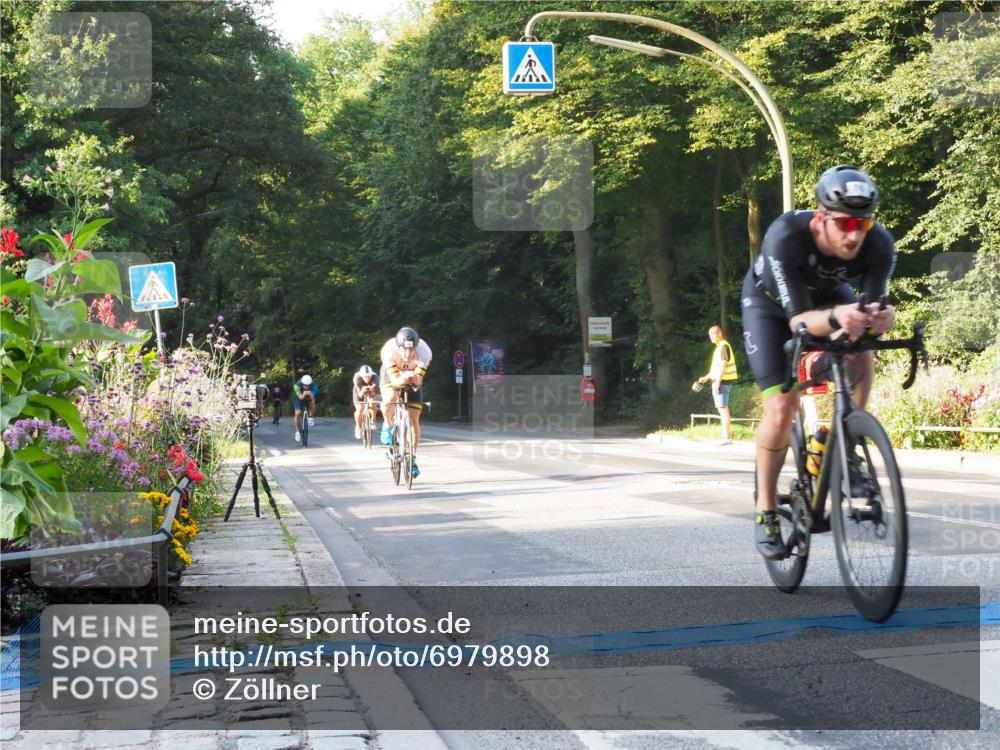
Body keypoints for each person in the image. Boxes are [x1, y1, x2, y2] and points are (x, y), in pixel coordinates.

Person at [741, 165, 896, 559]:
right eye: (844, 223)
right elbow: (797, 322)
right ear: (821, 217)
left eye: (863, 223)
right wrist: (838, 319)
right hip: (771, 307)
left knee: (861, 347)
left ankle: (844, 442)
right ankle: (766, 510)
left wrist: (879, 316)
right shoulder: (786, 236)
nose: (854, 234)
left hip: (826, 297)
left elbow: (871, 305)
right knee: (781, 407)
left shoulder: (879, 244)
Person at [379, 327, 432, 477]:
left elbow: (418, 380)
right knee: (390, 399)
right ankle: (388, 425)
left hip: (412, 377)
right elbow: (395, 380)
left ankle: (412, 458)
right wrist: (404, 377)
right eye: (404, 351)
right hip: (392, 376)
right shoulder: (388, 350)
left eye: (412, 350)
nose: (408, 355)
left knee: (414, 418)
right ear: (398, 347)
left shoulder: (424, 352)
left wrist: (412, 377)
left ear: (416, 346)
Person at [694, 326, 739, 445]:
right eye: (710, 335)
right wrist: (706, 378)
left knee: (723, 409)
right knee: (722, 408)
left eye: (713, 334)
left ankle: (726, 437)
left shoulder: (723, 345)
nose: (711, 337)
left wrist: (717, 382)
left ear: (719, 333)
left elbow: (724, 365)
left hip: (723, 382)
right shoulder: (719, 347)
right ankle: (724, 436)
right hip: (721, 381)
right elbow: (716, 368)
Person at [352, 365, 380, 440]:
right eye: (365, 377)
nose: (367, 378)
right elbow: (360, 395)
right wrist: (363, 390)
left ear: (371, 375)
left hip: (371, 391)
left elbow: (374, 392)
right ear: (361, 376)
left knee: (373, 401)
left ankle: (373, 420)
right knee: (360, 408)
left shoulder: (375, 377)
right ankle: (358, 426)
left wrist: (371, 390)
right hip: (359, 391)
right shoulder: (357, 378)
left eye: (369, 376)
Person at [293, 374, 317, 443]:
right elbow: (301, 397)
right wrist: (304, 394)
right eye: (305, 385)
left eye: (308, 385)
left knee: (312, 401)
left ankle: (311, 416)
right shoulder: (297, 385)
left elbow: (312, 397)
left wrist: (310, 394)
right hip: (298, 398)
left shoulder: (314, 386)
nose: (307, 387)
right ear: (302, 383)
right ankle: (297, 432)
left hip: (309, 397)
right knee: (298, 413)